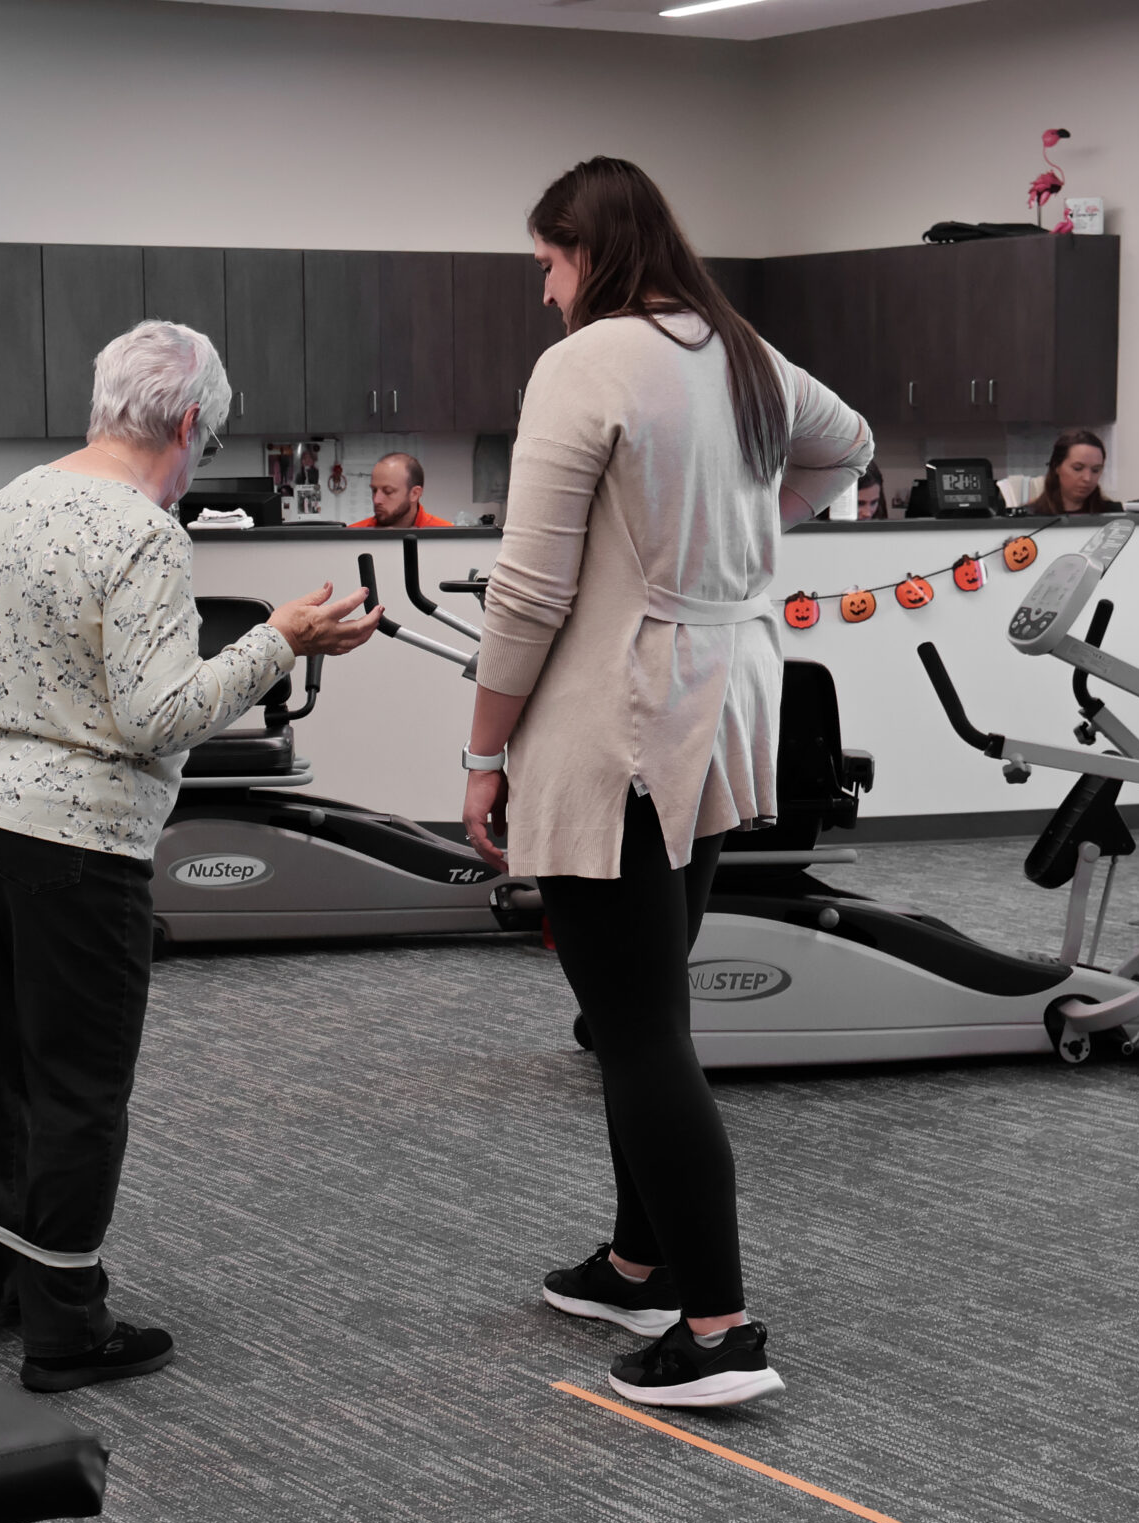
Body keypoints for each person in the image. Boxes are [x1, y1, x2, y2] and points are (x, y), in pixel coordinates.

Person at [461, 158, 870, 1409]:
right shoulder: (735, 347)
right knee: (648, 1005)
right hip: (721, 700)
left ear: (587, 251)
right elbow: (848, 446)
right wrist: (745, 538)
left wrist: (481, 755)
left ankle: (717, 1329)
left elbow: (528, 591)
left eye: (547, 264)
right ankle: (639, 1264)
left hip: (626, 719)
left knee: (635, 1029)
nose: (544, 292)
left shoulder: (587, 362)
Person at [0, 320, 380, 1393]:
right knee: (77, 1082)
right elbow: (156, 715)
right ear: (187, 424)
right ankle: (65, 1324)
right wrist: (279, 641)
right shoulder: (146, 534)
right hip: (74, 838)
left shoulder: (7, 502)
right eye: (201, 448)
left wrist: (26, 668)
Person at [346, 451, 456, 529]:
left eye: (388, 491)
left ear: (414, 494)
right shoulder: (352, 537)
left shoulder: (446, 537)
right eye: (374, 490)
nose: (376, 500)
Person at [1021, 429, 1119, 514]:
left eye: (1095, 470)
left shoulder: (1114, 515)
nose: (1087, 478)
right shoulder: (1028, 516)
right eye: (1077, 468)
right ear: (1056, 467)